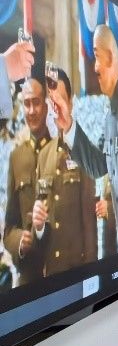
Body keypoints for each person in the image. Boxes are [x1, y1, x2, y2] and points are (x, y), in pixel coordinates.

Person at [59, 24, 118, 253]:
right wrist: (69, 125)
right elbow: (97, 165)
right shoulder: (110, 115)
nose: (94, 67)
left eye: (97, 57)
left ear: (111, 57)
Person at [40, 66, 99, 273]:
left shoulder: (83, 152)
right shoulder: (44, 155)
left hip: (76, 271)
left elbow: (89, 224)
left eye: (60, 101)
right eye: (51, 102)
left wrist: (91, 273)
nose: (55, 108)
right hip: (50, 274)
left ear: (70, 104)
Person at [3, 77, 54, 285]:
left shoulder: (61, 152)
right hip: (29, 278)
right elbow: (9, 229)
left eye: (36, 103)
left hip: (58, 271)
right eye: (26, 104)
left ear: (46, 106)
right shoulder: (16, 158)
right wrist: (19, 242)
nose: (32, 111)